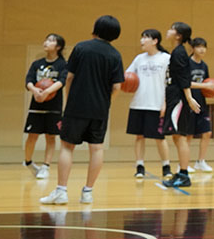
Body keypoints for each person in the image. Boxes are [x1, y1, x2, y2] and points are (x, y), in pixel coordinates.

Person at [39, 15, 124, 205]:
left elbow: (69, 77)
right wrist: (106, 103)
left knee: (67, 147)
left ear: (95, 29)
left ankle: (61, 191)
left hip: (76, 107)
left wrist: (69, 101)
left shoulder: (81, 48)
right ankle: (88, 192)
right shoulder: (115, 55)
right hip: (100, 109)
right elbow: (117, 87)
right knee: (96, 149)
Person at [125, 28, 171, 180]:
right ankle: (140, 166)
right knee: (139, 136)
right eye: (141, 37)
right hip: (138, 102)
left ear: (155, 41)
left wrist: (165, 103)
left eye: (145, 38)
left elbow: (169, 83)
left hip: (157, 104)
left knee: (160, 137)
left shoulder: (166, 58)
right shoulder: (139, 59)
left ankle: (166, 166)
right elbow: (128, 76)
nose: (141, 41)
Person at [23, 34, 67, 179]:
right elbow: (28, 80)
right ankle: (28, 162)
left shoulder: (62, 64)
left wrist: (47, 92)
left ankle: (46, 166)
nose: (46, 42)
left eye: (51, 40)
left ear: (58, 47)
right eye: (46, 39)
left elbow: (62, 81)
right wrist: (35, 90)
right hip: (36, 105)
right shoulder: (37, 63)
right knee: (32, 136)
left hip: (53, 106)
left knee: (50, 137)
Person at [160, 22, 199, 188]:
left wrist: (189, 99)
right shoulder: (177, 52)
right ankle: (182, 172)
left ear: (178, 36)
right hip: (173, 98)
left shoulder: (179, 53)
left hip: (178, 99)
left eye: (171, 29)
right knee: (177, 137)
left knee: (181, 136)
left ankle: (184, 174)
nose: (167, 31)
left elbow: (184, 79)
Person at [189, 37, 214, 172]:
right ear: (193, 48)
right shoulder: (187, 64)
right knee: (187, 134)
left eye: (204, 47)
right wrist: (204, 85)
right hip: (189, 103)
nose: (202, 49)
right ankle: (184, 163)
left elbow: (207, 85)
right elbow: (185, 83)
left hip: (201, 104)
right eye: (199, 46)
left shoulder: (204, 66)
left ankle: (200, 161)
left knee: (207, 132)